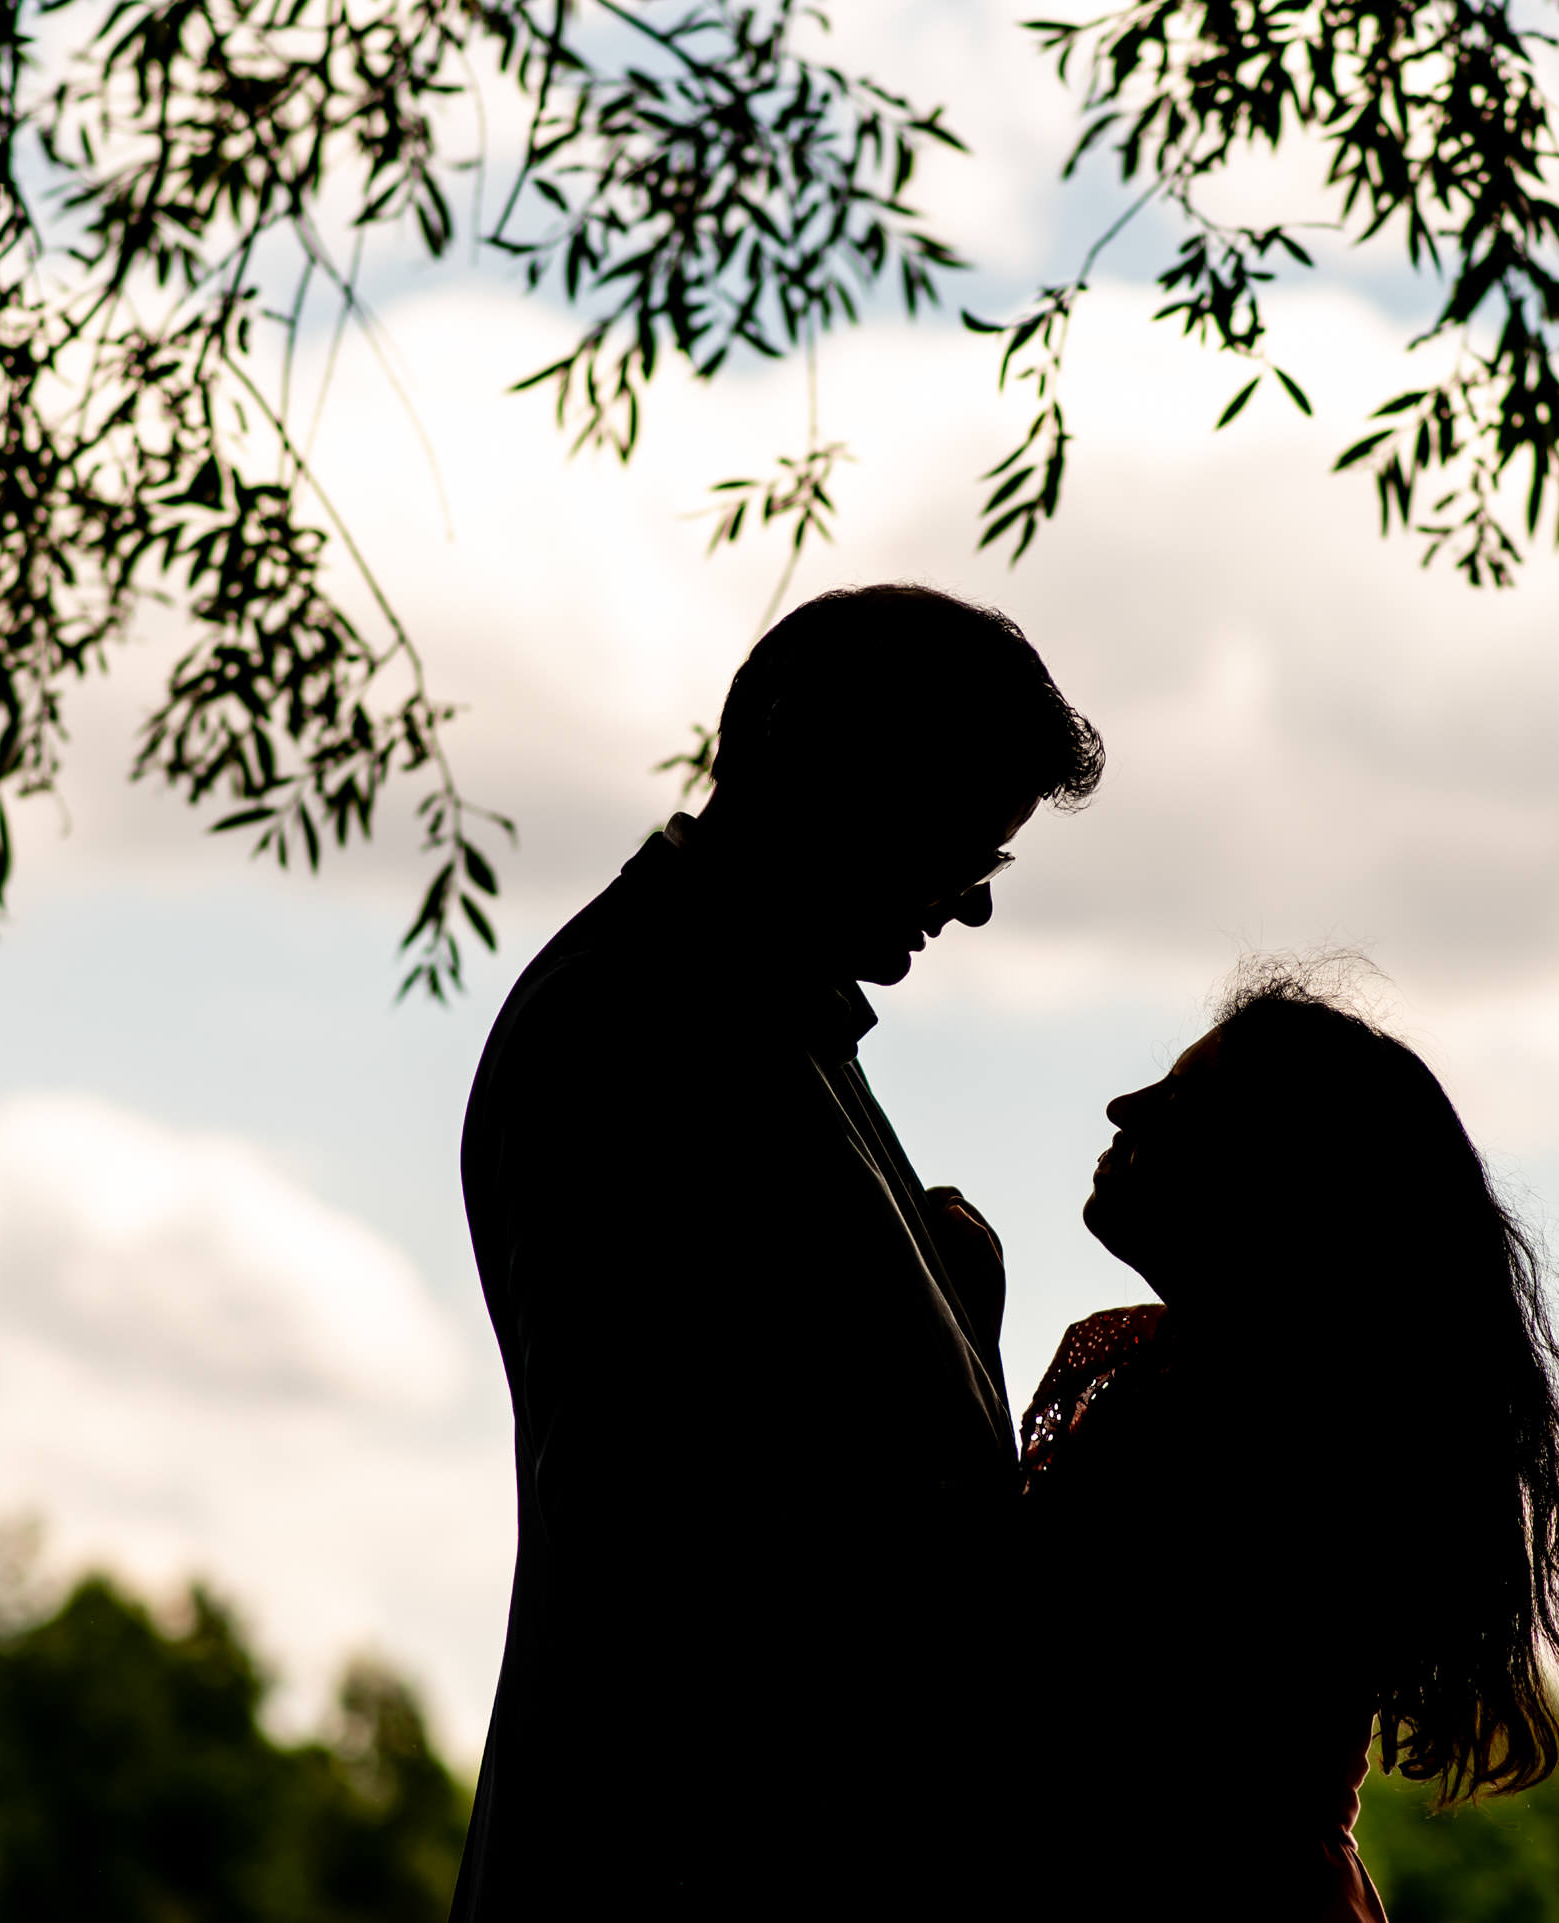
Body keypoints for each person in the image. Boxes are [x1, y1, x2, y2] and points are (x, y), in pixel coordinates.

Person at [452, 585, 1104, 1920]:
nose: (972, 904)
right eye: (960, 841)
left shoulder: (749, 1021)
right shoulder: (645, 1027)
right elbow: (681, 1518)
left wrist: (959, 1333)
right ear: (831, 772)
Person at [1014, 962, 1559, 1918]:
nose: (1125, 1105)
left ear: (1281, 1180)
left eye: (1184, 1098)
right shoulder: (1155, 1364)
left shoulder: (1267, 1437)